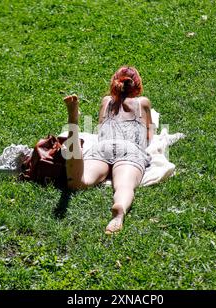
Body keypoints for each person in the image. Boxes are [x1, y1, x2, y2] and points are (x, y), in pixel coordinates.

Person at [62, 66, 154, 234]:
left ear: (114, 84)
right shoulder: (143, 103)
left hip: (102, 148)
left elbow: (100, 129)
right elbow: (149, 136)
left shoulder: (106, 101)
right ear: (138, 86)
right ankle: (119, 213)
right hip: (130, 149)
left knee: (78, 182)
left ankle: (73, 124)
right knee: (124, 186)